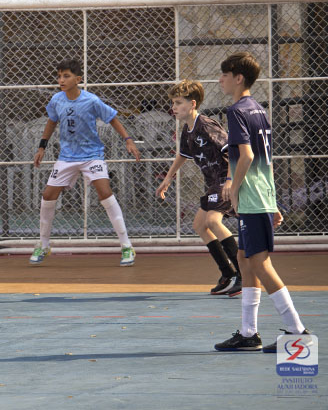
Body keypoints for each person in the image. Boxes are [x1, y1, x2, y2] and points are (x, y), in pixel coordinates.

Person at [213, 52, 309, 352]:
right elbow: (266, 160)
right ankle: (249, 333)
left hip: (252, 199)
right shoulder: (259, 109)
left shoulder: (236, 111)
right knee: (244, 259)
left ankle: (297, 331)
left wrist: (234, 189)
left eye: (224, 74)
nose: (220, 80)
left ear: (238, 78)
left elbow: (248, 156)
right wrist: (272, 200)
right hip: (262, 196)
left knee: (259, 263)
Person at [29, 59, 141, 266]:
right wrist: (42, 147)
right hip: (67, 157)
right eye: (59, 76)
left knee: (105, 193)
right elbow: (51, 121)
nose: (61, 80)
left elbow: (113, 118)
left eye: (66, 76)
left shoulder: (91, 100)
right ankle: (43, 244)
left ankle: (126, 246)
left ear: (78, 79)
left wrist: (128, 140)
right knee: (48, 196)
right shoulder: (56, 100)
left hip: (92, 155)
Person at [156, 80, 241, 296]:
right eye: (173, 103)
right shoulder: (188, 129)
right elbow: (182, 155)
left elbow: (232, 150)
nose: (173, 107)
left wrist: (230, 181)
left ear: (192, 104)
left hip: (224, 179)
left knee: (212, 221)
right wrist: (168, 178)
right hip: (213, 183)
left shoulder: (206, 125)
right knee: (199, 225)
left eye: (178, 103)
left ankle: (243, 273)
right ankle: (227, 273)